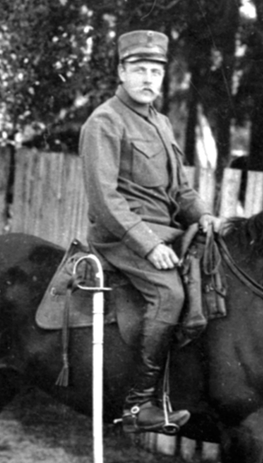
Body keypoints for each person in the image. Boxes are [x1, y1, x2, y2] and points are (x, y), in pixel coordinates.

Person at [79, 29, 223, 434]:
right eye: (139, 69)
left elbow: (180, 189)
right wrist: (148, 245)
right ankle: (139, 405)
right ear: (121, 72)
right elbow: (104, 200)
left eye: (155, 71)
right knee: (170, 292)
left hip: (169, 232)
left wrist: (204, 214)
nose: (148, 79)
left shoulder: (160, 122)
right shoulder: (103, 123)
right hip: (120, 237)